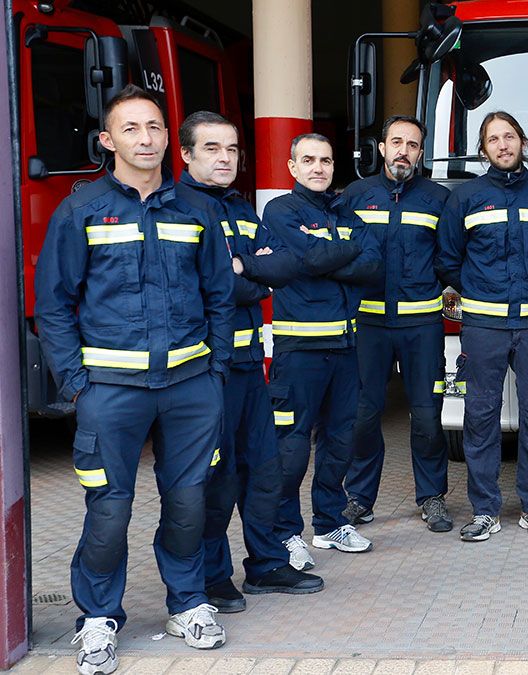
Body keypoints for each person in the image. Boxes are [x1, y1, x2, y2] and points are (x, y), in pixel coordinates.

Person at [35, 85, 234, 674]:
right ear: (108, 140)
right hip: (110, 391)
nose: (145, 139)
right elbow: (54, 305)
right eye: (131, 129)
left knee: (189, 502)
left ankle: (188, 603)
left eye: (154, 127)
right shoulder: (81, 211)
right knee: (109, 508)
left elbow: (220, 296)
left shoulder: (196, 209)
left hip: (190, 386)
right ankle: (98, 618)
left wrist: (215, 372)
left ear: (168, 137)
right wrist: (76, 382)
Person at [174, 111, 324, 611]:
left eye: (232, 149)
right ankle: (214, 578)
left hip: (246, 365)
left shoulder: (241, 209)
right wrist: (245, 275)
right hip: (202, 369)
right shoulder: (177, 208)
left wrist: (248, 271)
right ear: (187, 155)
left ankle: (264, 565)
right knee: (216, 479)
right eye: (212, 149)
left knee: (263, 469)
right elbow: (213, 282)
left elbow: (284, 266)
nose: (225, 158)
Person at [435, 111, 528, 542]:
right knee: (480, 417)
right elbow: (448, 258)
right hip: (484, 325)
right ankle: (485, 510)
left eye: (509, 136)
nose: (503, 145)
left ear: (522, 142)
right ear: (483, 148)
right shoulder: (466, 197)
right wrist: (479, 289)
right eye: (494, 139)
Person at [262, 133, 382, 569]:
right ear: (292, 167)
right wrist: (336, 254)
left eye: (326, 160)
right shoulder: (280, 210)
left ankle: (329, 524)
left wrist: (326, 256)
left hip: (347, 347)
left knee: (340, 441)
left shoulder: (345, 211)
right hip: (300, 351)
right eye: (308, 160)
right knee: (292, 448)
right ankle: (285, 533)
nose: (318, 168)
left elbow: (373, 264)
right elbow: (309, 260)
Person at [340, 114, 453, 533]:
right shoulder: (355, 195)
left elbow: (449, 256)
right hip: (368, 324)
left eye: (413, 144)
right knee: (364, 415)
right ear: (382, 148)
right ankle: (360, 499)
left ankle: (432, 497)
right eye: (396, 141)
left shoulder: (438, 199)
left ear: (421, 154)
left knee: (426, 415)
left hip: (422, 325)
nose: (403, 150)